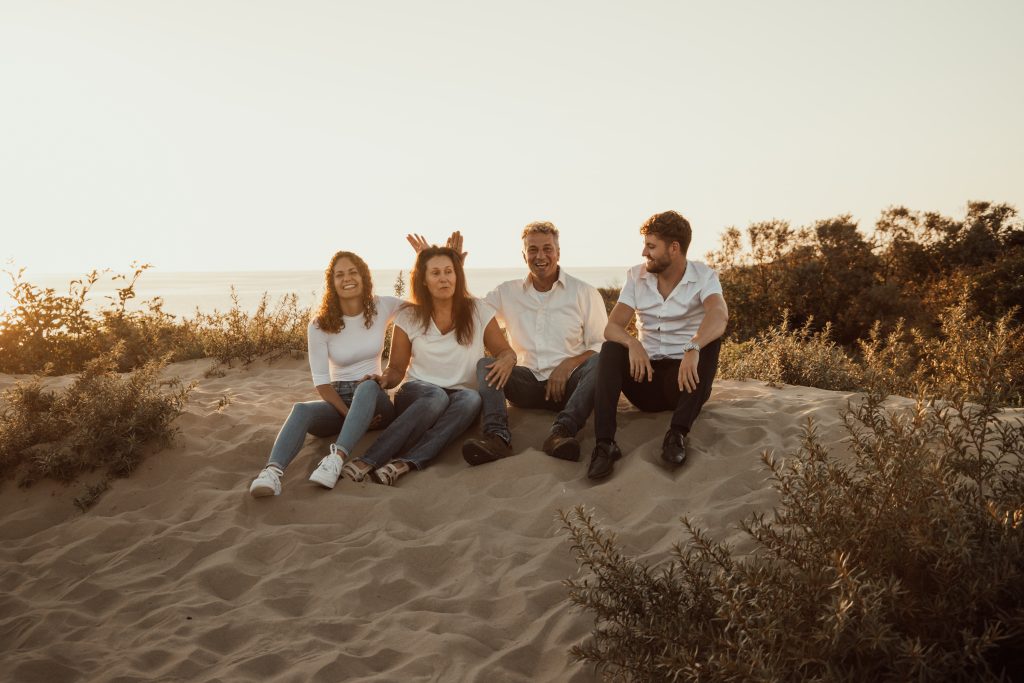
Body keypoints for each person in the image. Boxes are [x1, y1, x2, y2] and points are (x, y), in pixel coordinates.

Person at [341, 245, 516, 486]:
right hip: (417, 393)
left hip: (459, 398)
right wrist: (383, 379)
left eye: (449, 271)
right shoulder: (409, 316)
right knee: (436, 395)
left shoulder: (478, 311)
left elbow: (504, 351)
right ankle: (369, 460)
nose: (444, 278)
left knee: (473, 399)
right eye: (435, 273)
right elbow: (397, 369)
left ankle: (405, 463)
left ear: (457, 275)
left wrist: (508, 358)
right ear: (423, 280)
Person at [452, 221, 609, 466]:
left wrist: (568, 365)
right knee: (486, 364)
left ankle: (561, 433)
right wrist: (456, 270)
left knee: (602, 362)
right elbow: (473, 313)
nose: (540, 256)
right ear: (524, 254)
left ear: (558, 252)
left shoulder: (584, 293)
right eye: (533, 250)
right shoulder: (507, 292)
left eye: (547, 249)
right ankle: (497, 437)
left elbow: (601, 344)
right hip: (526, 383)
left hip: (569, 388)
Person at [588, 210, 729, 480]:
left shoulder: (703, 276)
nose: (644, 252)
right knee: (611, 348)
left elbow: (719, 315)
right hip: (646, 379)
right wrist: (632, 343)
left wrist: (694, 347)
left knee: (711, 342)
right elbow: (611, 327)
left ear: (674, 248)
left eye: (651, 246)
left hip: (683, 383)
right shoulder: (636, 277)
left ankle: (677, 434)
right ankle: (604, 444)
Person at [249, 251, 401, 497]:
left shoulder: (382, 306)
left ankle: (336, 459)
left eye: (353, 272)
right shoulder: (319, 325)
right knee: (301, 409)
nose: (347, 278)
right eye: (339, 275)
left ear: (363, 276)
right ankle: (272, 473)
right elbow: (322, 384)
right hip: (339, 402)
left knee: (367, 387)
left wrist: (426, 259)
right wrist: (347, 412)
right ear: (332, 283)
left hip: (375, 401)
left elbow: (424, 302)